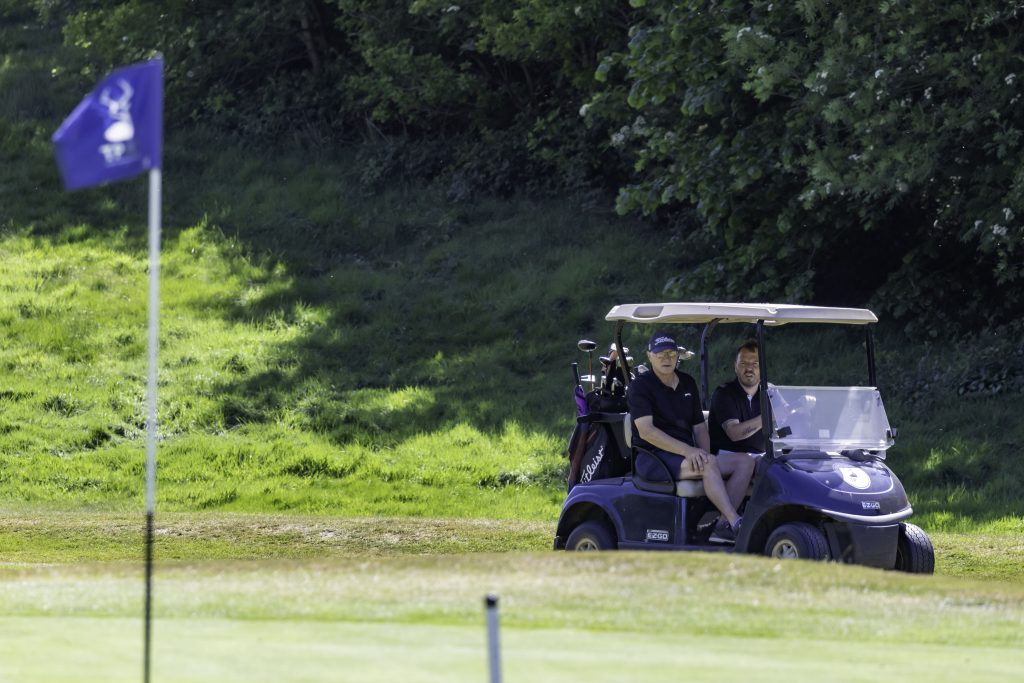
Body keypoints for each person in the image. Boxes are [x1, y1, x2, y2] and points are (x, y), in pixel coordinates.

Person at [627, 331, 755, 544]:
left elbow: (699, 429)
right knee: (708, 463)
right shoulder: (640, 386)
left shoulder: (687, 382)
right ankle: (735, 522)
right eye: (660, 354)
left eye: (671, 353)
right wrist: (691, 452)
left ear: (678, 355)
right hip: (654, 458)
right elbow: (646, 431)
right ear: (649, 356)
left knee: (746, 462)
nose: (666, 358)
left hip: (686, 456)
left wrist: (704, 454)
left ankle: (722, 526)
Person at [709, 340, 766, 456]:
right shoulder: (723, 393)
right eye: (743, 363)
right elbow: (734, 433)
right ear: (735, 367)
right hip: (727, 456)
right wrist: (768, 417)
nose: (749, 368)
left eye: (755, 364)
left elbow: (786, 424)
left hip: (761, 457)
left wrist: (799, 410)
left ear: (762, 367)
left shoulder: (770, 392)